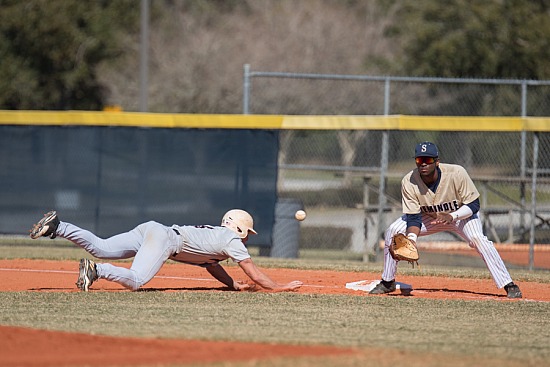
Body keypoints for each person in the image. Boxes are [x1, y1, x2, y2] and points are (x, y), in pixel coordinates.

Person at [369, 141, 522, 298]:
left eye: (428, 160)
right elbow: (414, 218)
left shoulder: (456, 173)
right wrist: (411, 239)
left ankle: (508, 284)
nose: (423, 164)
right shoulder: (409, 181)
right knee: (393, 230)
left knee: (478, 239)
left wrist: (452, 216)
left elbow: (474, 204)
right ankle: (388, 282)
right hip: (430, 217)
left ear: (437, 162)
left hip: (460, 215)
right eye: (419, 160)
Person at [29, 209, 303, 293]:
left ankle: (59, 226)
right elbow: (253, 272)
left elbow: (212, 266)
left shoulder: (219, 239)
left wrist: (233, 285)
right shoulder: (231, 241)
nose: (246, 240)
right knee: (136, 281)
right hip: (166, 240)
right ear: (241, 230)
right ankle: (96, 270)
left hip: (154, 230)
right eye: (248, 234)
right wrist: (279, 287)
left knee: (100, 246)